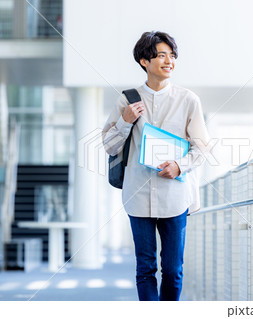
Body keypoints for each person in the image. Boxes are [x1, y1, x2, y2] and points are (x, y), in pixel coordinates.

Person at [102, 31, 210, 301]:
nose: (168, 61)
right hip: (138, 195)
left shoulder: (188, 100)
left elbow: (203, 147)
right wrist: (125, 121)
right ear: (144, 61)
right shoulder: (127, 100)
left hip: (175, 196)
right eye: (161, 55)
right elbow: (110, 146)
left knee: (173, 270)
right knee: (145, 268)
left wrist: (179, 165)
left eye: (172, 56)